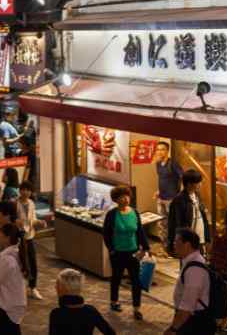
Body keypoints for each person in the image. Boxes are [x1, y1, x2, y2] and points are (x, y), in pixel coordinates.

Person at [102, 185, 150, 320]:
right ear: (116, 200)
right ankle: (114, 301)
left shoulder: (134, 212)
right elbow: (106, 234)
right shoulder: (111, 215)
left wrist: (146, 248)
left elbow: (140, 231)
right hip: (117, 252)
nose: (125, 199)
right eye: (121, 197)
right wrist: (111, 249)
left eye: (127, 196)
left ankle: (137, 308)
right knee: (116, 278)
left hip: (133, 252)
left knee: (136, 281)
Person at [166, 228, 215, 335]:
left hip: (194, 322)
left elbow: (188, 304)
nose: (174, 245)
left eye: (176, 242)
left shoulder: (195, 269)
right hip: (191, 319)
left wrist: (173, 328)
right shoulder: (190, 262)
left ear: (187, 245)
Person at [48, 268, 116, 335]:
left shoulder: (56, 314)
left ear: (60, 289)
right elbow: (110, 332)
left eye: (56, 285)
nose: (55, 287)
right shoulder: (91, 311)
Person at [167, 169, 210, 255]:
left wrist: (207, 237)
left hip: (200, 236)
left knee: (199, 261)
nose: (200, 185)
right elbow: (176, 223)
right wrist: (174, 242)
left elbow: (203, 217)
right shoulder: (179, 200)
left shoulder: (197, 195)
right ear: (189, 184)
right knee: (187, 261)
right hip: (188, 240)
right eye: (198, 182)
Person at [17, 180, 46, 300]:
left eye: (28, 190)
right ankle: (20, 288)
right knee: (21, 263)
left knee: (33, 262)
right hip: (19, 238)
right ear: (20, 190)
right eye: (23, 189)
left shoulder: (31, 203)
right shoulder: (15, 203)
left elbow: (32, 219)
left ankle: (33, 287)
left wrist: (39, 222)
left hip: (29, 236)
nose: (26, 192)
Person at [154, 141, 183, 246]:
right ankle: (164, 245)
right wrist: (158, 191)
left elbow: (183, 177)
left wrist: (181, 195)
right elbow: (162, 179)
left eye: (162, 149)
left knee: (173, 223)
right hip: (161, 198)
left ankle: (173, 245)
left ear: (167, 151)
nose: (160, 152)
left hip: (171, 198)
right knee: (161, 223)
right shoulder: (158, 164)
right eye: (158, 149)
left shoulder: (173, 164)